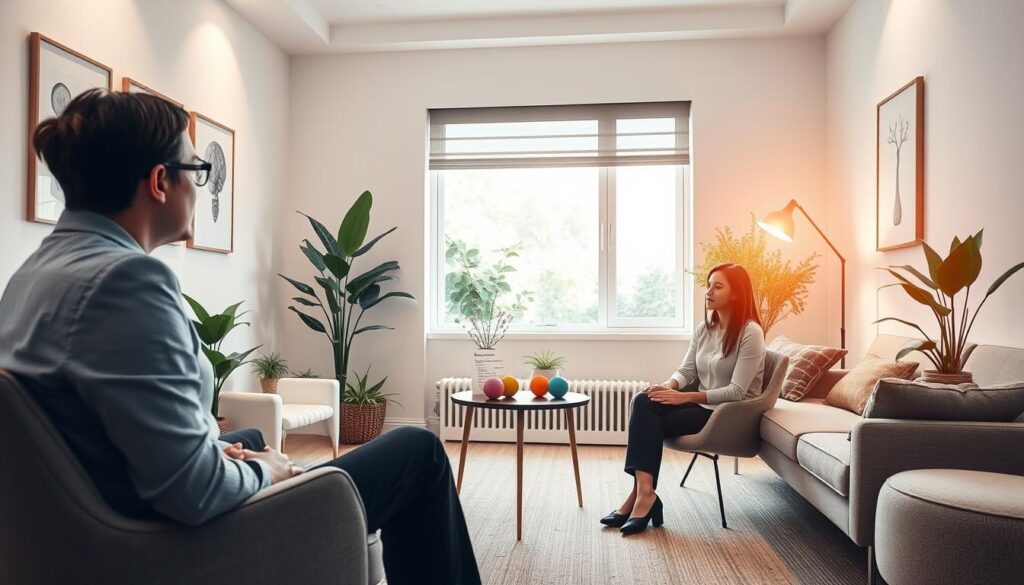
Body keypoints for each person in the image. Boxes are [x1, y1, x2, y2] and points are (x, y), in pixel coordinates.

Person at [0, 89, 481, 585]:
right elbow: (194, 493)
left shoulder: (33, 275)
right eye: (197, 171)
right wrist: (266, 471)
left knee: (247, 438)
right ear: (161, 182)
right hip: (161, 548)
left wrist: (216, 447)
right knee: (418, 452)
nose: (200, 186)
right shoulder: (125, 282)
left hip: (101, 516)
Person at [601, 263, 766, 535]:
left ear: (737, 294)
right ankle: (644, 494)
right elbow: (687, 370)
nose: (709, 291)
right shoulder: (704, 329)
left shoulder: (751, 333)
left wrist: (681, 397)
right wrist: (667, 386)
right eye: (709, 284)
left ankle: (639, 498)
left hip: (728, 415)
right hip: (700, 406)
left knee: (647, 423)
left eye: (718, 286)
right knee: (644, 400)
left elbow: (737, 391)